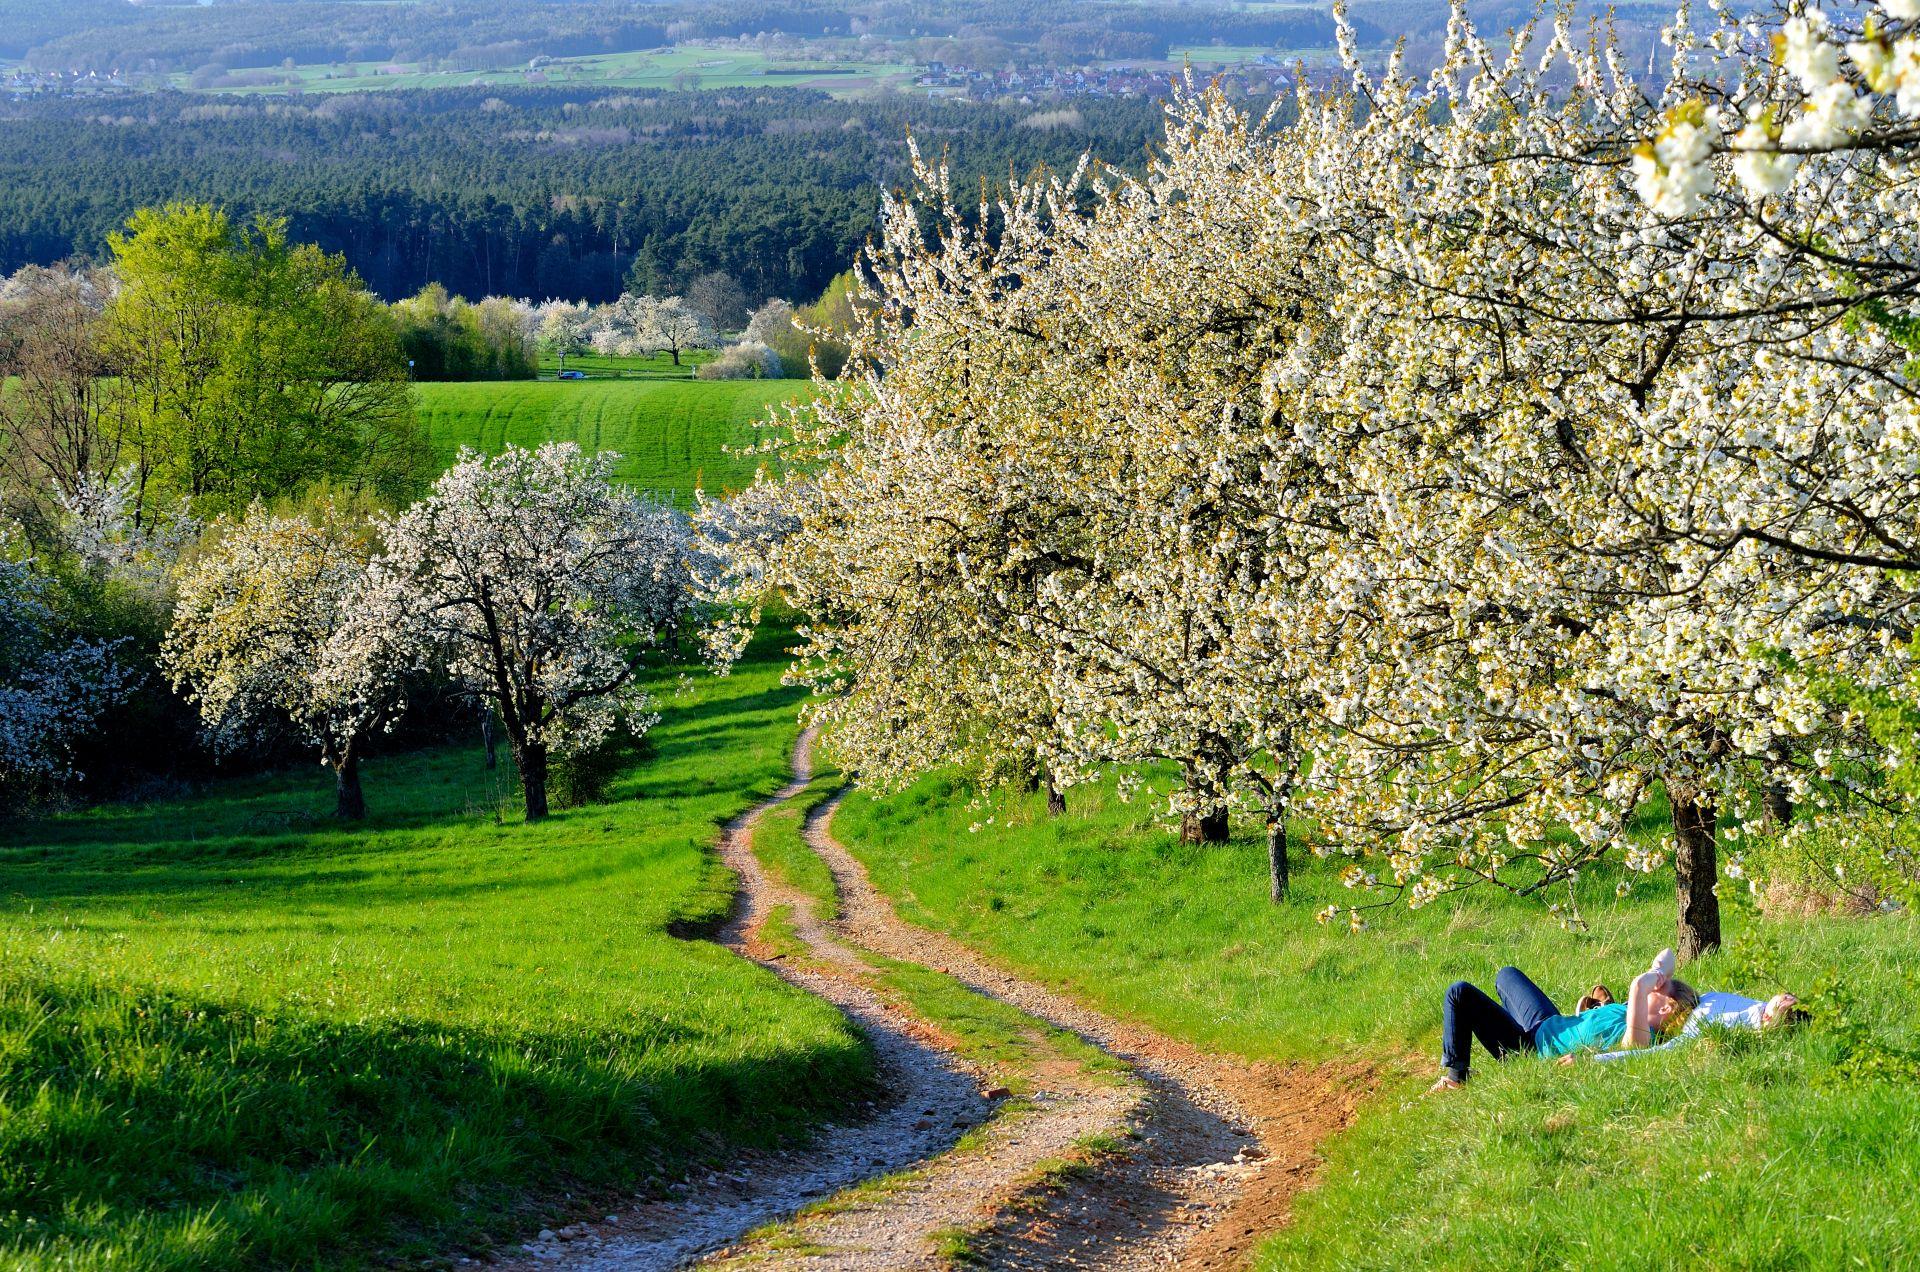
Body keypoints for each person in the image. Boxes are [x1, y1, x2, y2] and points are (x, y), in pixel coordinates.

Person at [1429, 949, 1699, 1091]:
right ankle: (1596, 1007)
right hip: (1548, 1022)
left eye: (1658, 988)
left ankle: (1455, 1079)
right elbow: (1667, 955)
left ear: (1666, 1008)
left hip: (1529, 1049)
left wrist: (1644, 982)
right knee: (1506, 975)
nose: (1652, 986)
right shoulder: (1630, 1008)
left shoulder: (1641, 1037)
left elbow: (1638, 987)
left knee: (1459, 993)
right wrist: (1659, 973)